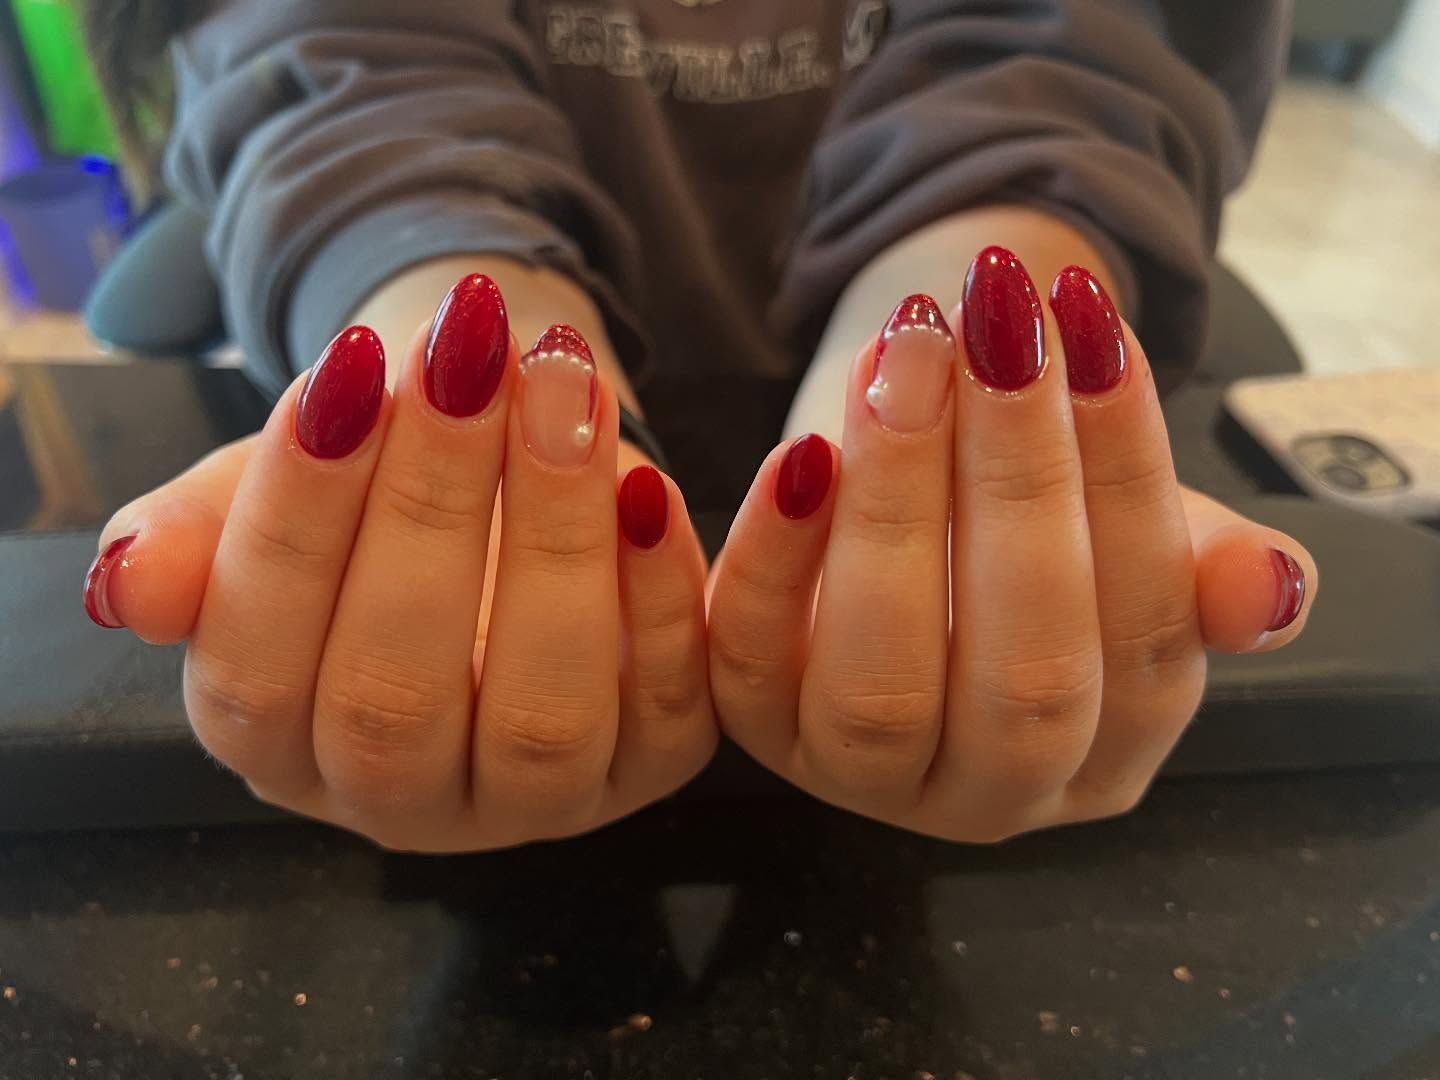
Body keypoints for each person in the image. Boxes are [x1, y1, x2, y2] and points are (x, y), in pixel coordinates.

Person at [81, 0, 1314, 850]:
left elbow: (1062, 64)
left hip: (924, 554)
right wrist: (463, 410)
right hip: (467, 506)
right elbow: (350, 76)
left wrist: (941, 415)